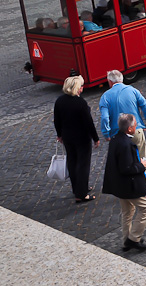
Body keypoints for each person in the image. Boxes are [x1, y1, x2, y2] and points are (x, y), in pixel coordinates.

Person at [101, 113, 146, 252]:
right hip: (129, 186)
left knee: (127, 212)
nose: (136, 127)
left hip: (119, 185)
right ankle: (133, 239)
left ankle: (126, 240)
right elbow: (127, 169)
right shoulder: (126, 144)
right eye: (135, 125)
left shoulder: (116, 139)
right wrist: (142, 165)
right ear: (129, 129)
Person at [53, 74, 100, 203]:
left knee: (72, 162)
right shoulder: (80, 103)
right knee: (83, 164)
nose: (82, 88)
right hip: (82, 138)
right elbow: (88, 123)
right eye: (81, 86)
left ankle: (78, 188)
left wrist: (59, 135)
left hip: (68, 137)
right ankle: (82, 193)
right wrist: (95, 138)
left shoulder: (60, 101)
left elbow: (57, 120)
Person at [99, 70, 146, 160]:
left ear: (110, 82)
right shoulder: (133, 90)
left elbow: (104, 118)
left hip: (118, 135)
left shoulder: (105, 96)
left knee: (124, 163)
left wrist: (106, 134)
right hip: (136, 130)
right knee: (142, 161)